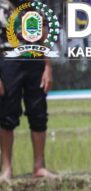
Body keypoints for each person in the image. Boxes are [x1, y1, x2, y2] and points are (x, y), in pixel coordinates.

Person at [0, 0, 54, 180]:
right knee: (7, 114)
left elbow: (44, 36)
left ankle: (39, 166)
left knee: (38, 112)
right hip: (8, 62)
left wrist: (48, 67)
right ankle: (6, 169)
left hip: (35, 60)